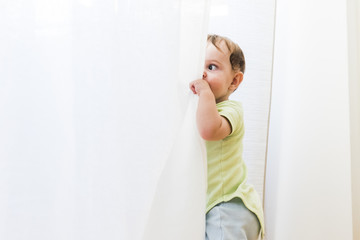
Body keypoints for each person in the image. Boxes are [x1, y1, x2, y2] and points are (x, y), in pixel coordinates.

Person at [189, 34, 265, 240]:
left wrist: (204, 93)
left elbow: (209, 130)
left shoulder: (231, 109)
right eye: (198, 65)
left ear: (234, 80)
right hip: (216, 206)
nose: (201, 74)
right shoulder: (195, 111)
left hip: (229, 204)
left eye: (211, 67)